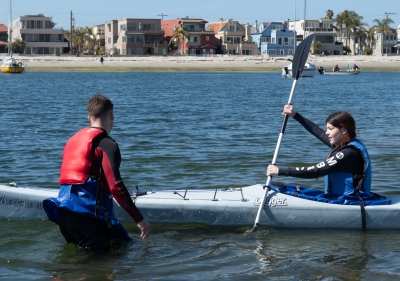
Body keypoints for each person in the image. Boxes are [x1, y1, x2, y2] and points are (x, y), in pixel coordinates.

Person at [43, 94, 151, 251]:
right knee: (101, 269)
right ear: (112, 115)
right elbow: (115, 186)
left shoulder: (73, 141)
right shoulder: (106, 144)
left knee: (78, 267)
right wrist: (139, 219)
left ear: (89, 118)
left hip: (65, 216)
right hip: (87, 218)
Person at [266, 104, 371, 197]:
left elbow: (314, 171)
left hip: (349, 202)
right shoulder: (342, 145)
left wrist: (279, 171)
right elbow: (316, 131)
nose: (326, 132)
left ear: (343, 130)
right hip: (338, 198)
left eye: (330, 129)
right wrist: (294, 114)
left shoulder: (348, 153)